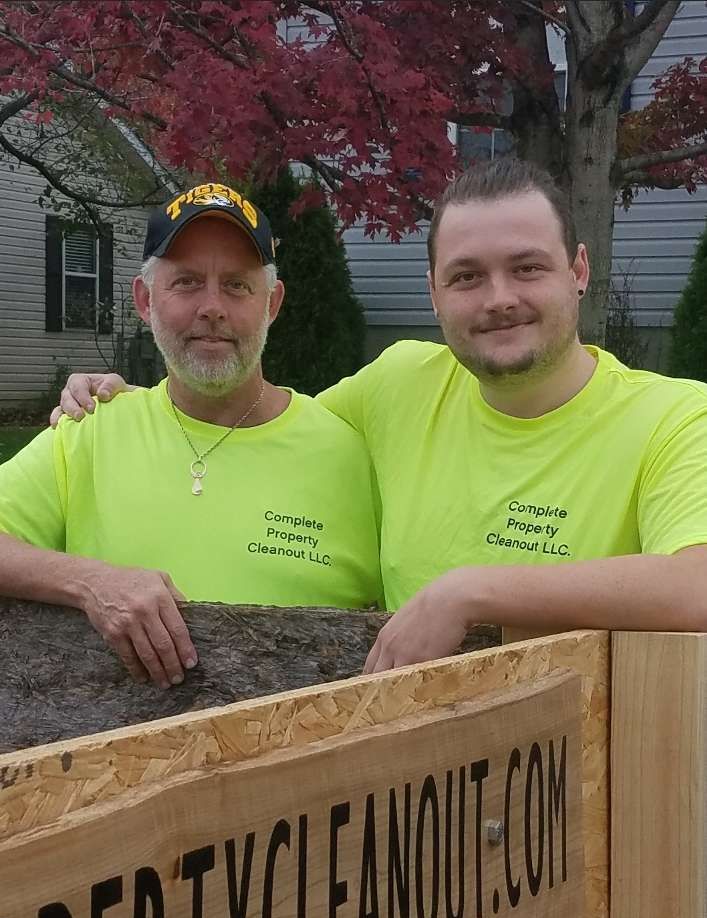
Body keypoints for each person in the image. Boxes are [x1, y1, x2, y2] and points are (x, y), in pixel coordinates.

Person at [52, 159, 707, 674]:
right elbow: (252, 418)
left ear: (578, 270)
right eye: (466, 276)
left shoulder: (673, 417)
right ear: (432, 292)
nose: (499, 298)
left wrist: (470, 593)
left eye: (527, 267)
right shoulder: (399, 385)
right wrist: (133, 399)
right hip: (404, 794)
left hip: (584, 795)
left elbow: (695, 585)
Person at [0, 182, 381, 689]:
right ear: (144, 299)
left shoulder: (350, 452)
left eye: (237, 285)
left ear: (272, 304)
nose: (212, 307)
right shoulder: (91, 430)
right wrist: (93, 582)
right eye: (186, 282)